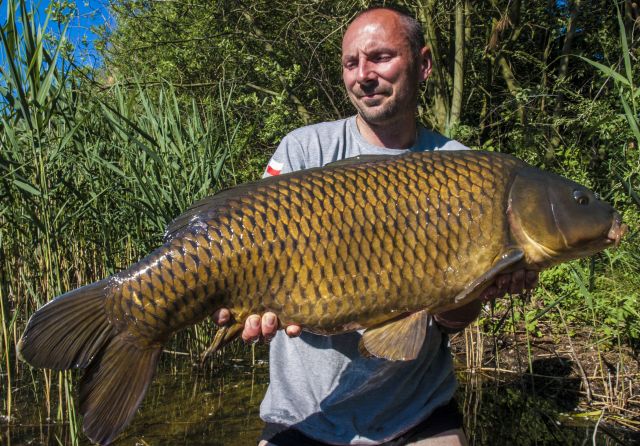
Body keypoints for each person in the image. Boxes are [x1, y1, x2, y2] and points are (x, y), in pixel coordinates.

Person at [213, 7, 538, 446]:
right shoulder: (305, 149)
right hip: (304, 415)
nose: (363, 75)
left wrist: (480, 288)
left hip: (416, 416)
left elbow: (448, 320)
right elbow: (246, 248)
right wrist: (242, 307)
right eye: (351, 63)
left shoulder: (462, 167)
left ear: (423, 64)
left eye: (381, 58)